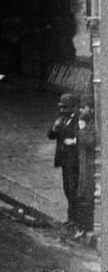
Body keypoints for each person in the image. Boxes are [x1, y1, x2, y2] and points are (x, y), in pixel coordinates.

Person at [48, 93, 81, 228]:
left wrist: (72, 142)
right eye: (61, 107)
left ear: (72, 107)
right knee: (67, 188)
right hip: (64, 159)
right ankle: (71, 217)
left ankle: (75, 218)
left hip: (74, 160)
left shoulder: (78, 120)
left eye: (65, 107)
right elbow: (50, 135)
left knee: (73, 189)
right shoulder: (61, 119)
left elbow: (81, 138)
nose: (62, 110)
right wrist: (54, 128)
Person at [73, 102, 97, 238]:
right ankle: (82, 227)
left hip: (89, 168)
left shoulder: (91, 128)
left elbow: (89, 142)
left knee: (86, 196)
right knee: (82, 195)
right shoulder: (90, 126)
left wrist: (82, 128)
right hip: (85, 167)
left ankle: (85, 228)